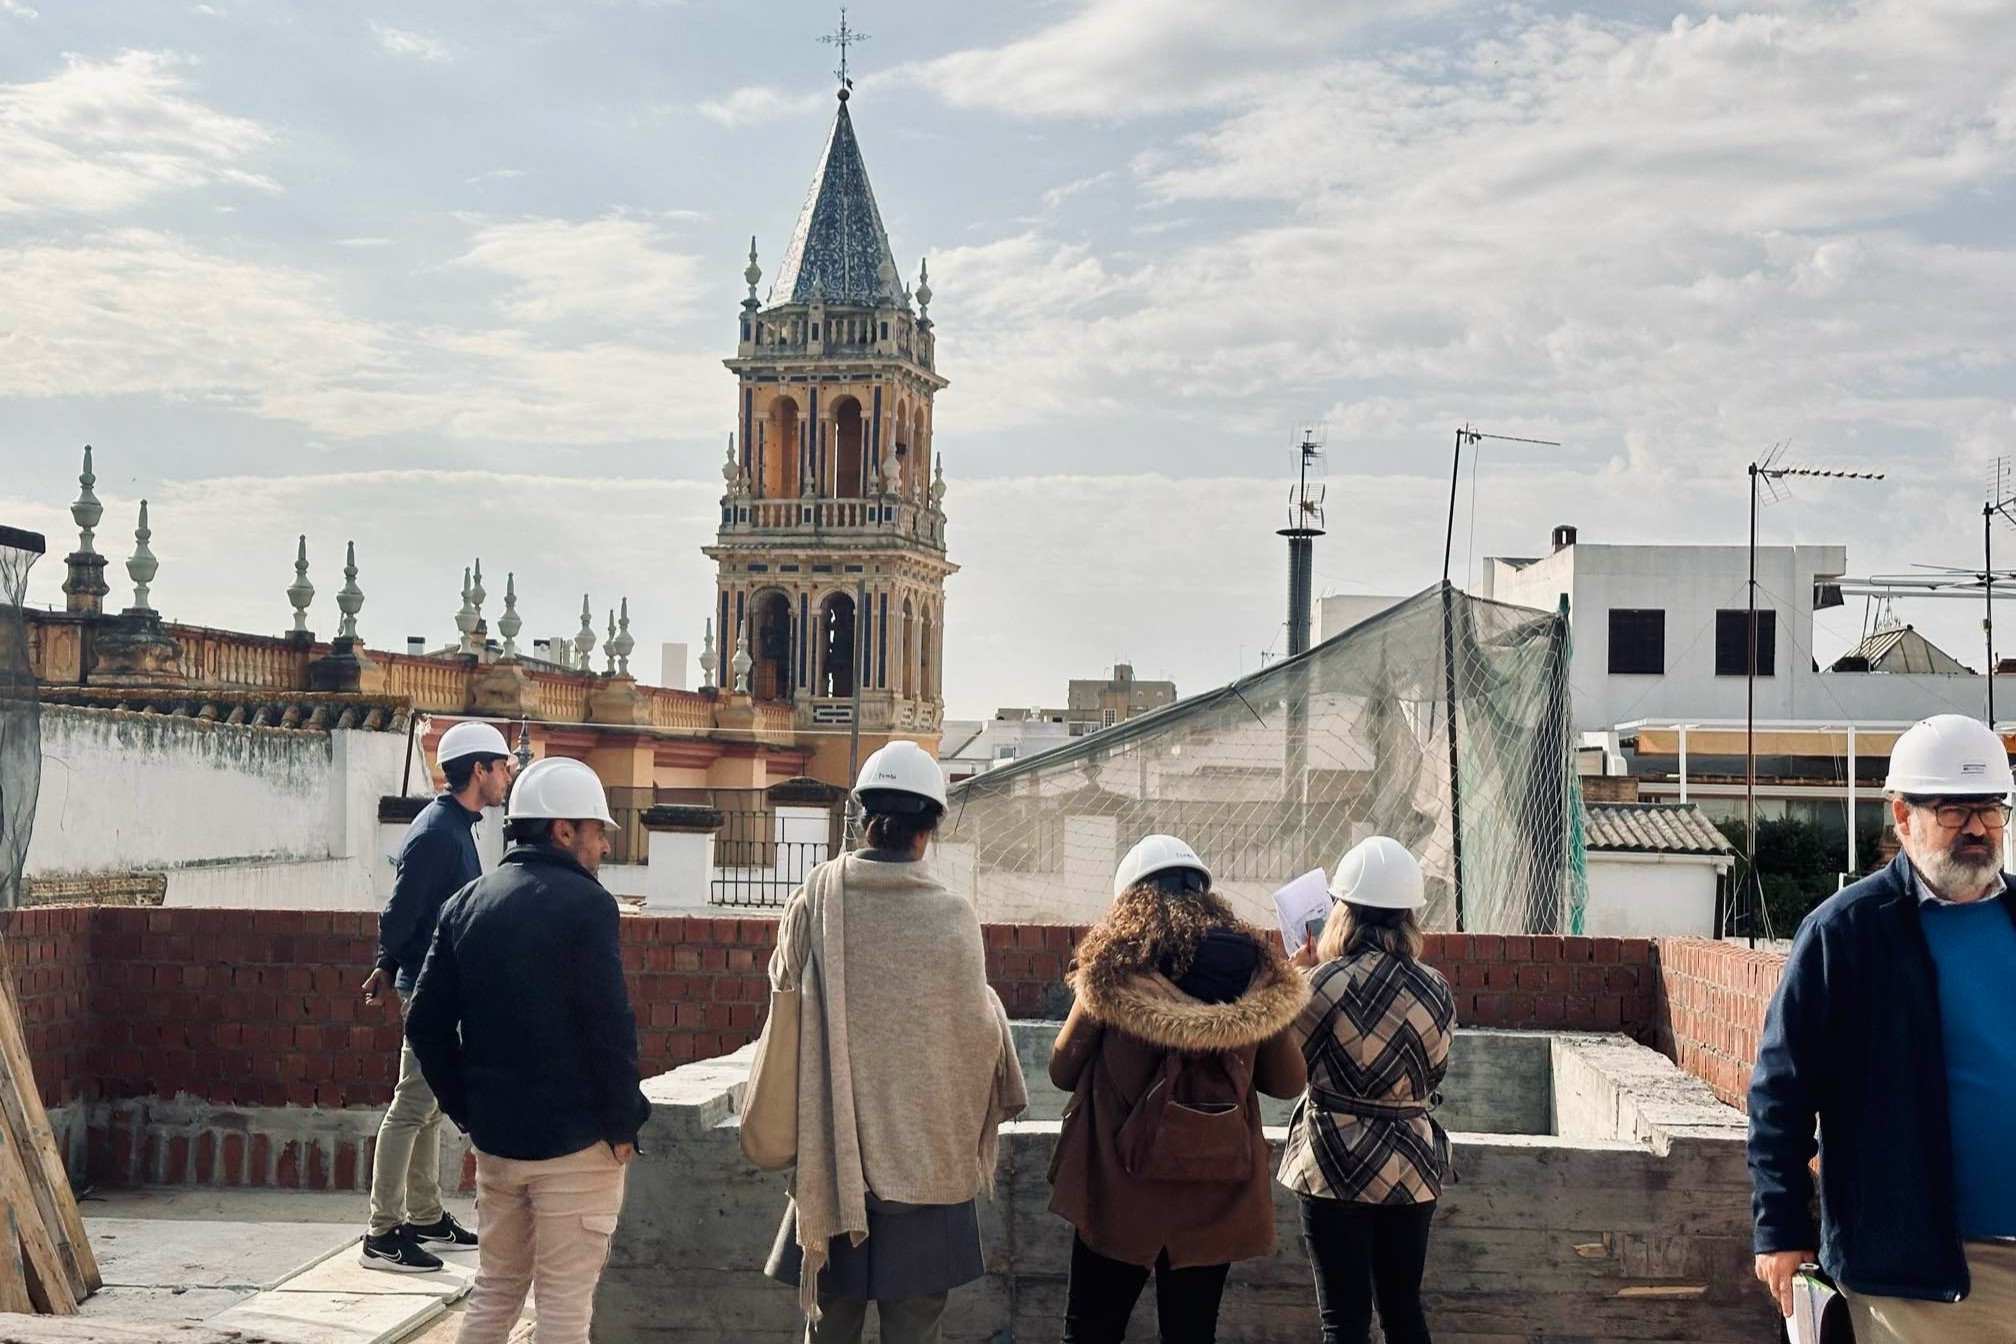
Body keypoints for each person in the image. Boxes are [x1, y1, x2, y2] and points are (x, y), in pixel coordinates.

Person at [1749, 713, 2016, 1342]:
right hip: (1922, 1271)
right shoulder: (1846, 932)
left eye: (1990, 809)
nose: (1977, 828)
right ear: (1901, 815)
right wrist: (1781, 1227)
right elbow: (1780, 1093)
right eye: (1953, 809)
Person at [763, 739, 1028, 1344]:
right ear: (929, 828)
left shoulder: (815, 898)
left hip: (833, 1165)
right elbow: (973, 1034)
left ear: (862, 820)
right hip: (926, 1168)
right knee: (915, 1331)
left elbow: (783, 994)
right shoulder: (953, 916)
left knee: (829, 1331)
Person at [406, 755, 650, 1344]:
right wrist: (622, 1124)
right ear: (563, 829)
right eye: (597, 832)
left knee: (495, 1293)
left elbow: (423, 1020)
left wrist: (467, 1107)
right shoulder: (587, 904)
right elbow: (607, 1025)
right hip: (575, 1145)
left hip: (499, 1144)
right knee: (564, 1309)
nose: (603, 847)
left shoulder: (466, 904)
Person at [1048, 834, 1309, 1344]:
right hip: (1216, 1197)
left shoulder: (1113, 969)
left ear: (1130, 901)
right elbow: (1288, 1081)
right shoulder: (1257, 972)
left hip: (1118, 1192)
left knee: (1090, 1330)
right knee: (1191, 1334)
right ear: (1205, 895)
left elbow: (1062, 1069)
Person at [1282, 836, 1455, 1344]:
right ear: (1408, 916)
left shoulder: (1321, 983)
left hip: (1334, 1162)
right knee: (1403, 1312)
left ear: (1342, 912)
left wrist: (1290, 984)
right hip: (1411, 1164)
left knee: (1344, 1320)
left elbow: (1289, 1070)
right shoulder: (1437, 986)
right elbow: (1436, 1072)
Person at [359, 718, 513, 1272]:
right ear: (478, 771)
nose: (508, 774)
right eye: (501, 766)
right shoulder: (436, 834)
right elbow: (402, 912)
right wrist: (386, 963)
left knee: (425, 1109)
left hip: (441, 986)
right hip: (430, 991)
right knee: (412, 1107)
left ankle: (423, 1215)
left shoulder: (454, 825)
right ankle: (381, 1232)